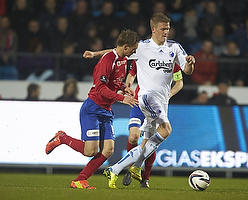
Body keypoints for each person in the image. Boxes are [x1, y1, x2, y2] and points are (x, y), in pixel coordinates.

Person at [83, 13, 195, 189]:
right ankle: (127, 168)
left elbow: (186, 73)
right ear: (153, 29)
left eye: (168, 28)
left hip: (162, 101)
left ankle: (124, 169)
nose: (166, 31)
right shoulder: (141, 48)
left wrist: (190, 63)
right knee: (163, 130)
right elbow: (116, 52)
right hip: (146, 97)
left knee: (147, 142)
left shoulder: (175, 48)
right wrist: (95, 53)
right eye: (163, 28)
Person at [45, 29, 140, 189]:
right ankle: (62, 138)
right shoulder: (107, 60)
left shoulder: (123, 60)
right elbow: (100, 88)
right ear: (125, 46)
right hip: (93, 109)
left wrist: (124, 88)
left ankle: (79, 180)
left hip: (106, 111)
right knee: (90, 151)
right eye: (133, 49)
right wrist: (122, 98)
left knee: (108, 150)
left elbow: (114, 82)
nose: (134, 52)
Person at [121, 60, 183, 188]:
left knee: (149, 142)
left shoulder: (171, 60)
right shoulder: (144, 55)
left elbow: (179, 83)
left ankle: (145, 178)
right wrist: (128, 86)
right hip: (139, 102)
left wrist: (169, 95)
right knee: (133, 137)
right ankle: (133, 169)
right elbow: (132, 73)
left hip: (157, 106)